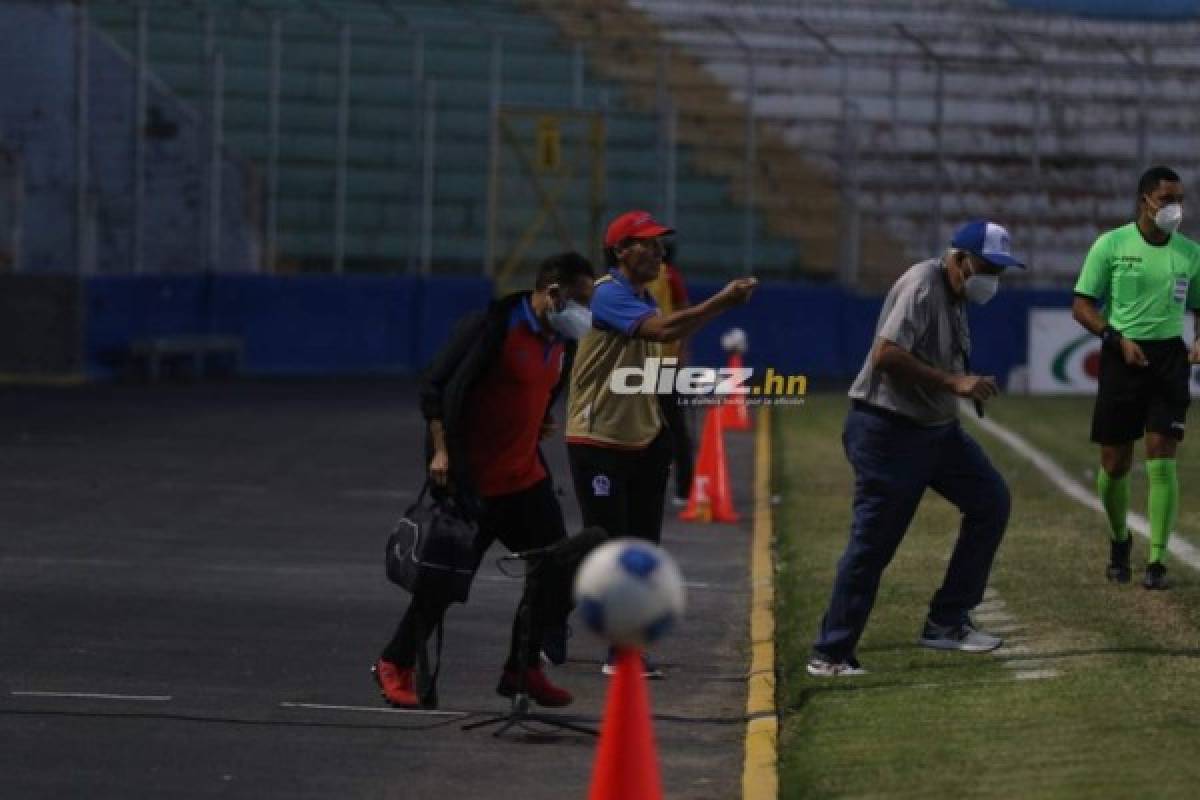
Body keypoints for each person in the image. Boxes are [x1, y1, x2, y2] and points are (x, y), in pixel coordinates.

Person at [372, 252, 596, 709]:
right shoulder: (491, 327)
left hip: (525, 479)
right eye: (580, 301)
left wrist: (536, 423)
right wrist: (441, 449)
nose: (585, 314)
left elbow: (539, 392)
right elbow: (435, 387)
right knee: (441, 587)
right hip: (474, 484)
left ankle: (522, 667)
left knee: (557, 569)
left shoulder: (562, 341)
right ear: (552, 293)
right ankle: (395, 663)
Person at [808, 220, 1023, 677]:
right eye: (988, 267)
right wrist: (953, 382)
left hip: (935, 430)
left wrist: (959, 385)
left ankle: (946, 622)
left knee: (991, 501)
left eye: (1001, 272)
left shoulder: (957, 293)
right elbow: (886, 354)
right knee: (874, 543)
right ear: (961, 258)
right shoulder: (923, 282)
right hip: (888, 430)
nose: (993, 280)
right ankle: (830, 653)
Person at [566, 210, 757, 676]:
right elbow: (665, 331)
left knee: (642, 550)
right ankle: (554, 615)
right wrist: (724, 302)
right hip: (599, 441)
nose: (658, 251)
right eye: (646, 244)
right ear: (619, 252)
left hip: (642, 439)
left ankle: (625, 646)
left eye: (659, 244)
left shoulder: (644, 294)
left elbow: (664, 344)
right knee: (604, 549)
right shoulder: (607, 294)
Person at [1072, 165, 1200, 591]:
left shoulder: (1190, 253)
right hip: (1122, 356)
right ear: (1145, 200)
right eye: (1168, 199)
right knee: (1115, 461)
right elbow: (1083, 305)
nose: (1176, 208)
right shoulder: (1111, 244)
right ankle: (1119, 540)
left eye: (1180, 199)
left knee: (1162, 456)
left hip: (1169, 361)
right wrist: (1115, 337)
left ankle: (1158, 561)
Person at [646, 241, 695, 505]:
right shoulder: (669, 276)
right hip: (662, 360)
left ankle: (684, 486)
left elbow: (684, 310)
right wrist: (683, 351)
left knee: (669, 425)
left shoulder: (665, 276)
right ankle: (683, 488)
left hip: (656, 361)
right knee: (674, 426)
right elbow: (686, 312)